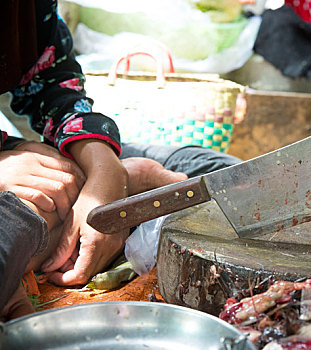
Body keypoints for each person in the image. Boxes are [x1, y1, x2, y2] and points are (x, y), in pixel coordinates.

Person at [0, 0, 241, 318]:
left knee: (223, 178)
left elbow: (53, 83)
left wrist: (103, 171)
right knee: (24, 215)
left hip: (20, 159)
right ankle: (105, 204)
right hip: (11, 173)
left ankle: (107, 192)